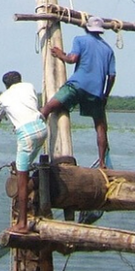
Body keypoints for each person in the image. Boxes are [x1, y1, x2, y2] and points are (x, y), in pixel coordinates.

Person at [39, 17, 117, 168]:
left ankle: (34, 133)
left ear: (87, 28)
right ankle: (102, 163)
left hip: (77, 85)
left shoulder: (80, 40)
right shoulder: (108, 49)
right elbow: (112, 76)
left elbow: (72, 58)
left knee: (47, 108)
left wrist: (60, 54)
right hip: (96, 92)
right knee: (100, 127)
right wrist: (105, 95)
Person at [0, 70, 46, 228]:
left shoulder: (3, 98)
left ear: (6, 85)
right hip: (42, 129)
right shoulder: (29, 87)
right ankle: (32, 179)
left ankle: (22, 223)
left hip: (26, 135)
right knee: (24, 166)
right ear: (20, 80)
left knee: (21, 177)